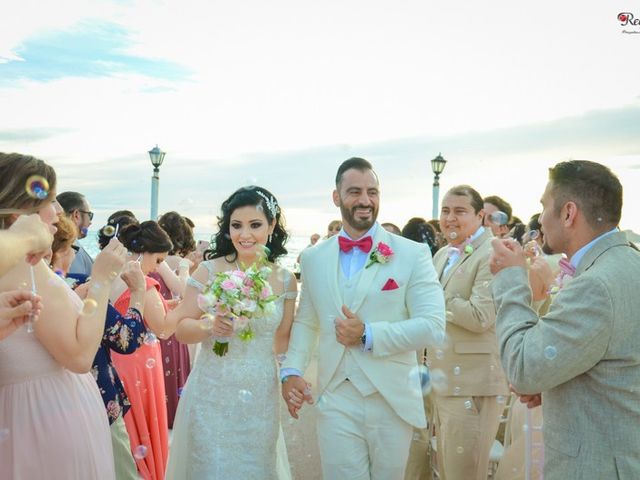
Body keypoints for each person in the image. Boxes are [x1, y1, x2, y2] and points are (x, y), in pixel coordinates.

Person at [282, 157, 446, 480]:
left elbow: (433, 326)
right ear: (336, 197)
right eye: (354, 191)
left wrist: (368, 334)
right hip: (336, 397)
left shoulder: (412, 254)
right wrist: (291, 370)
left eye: (372, 191)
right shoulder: (314, 258)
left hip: (390, 397)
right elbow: (306, 321)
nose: (365, 200)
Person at [490, 160, 640, 479]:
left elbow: (524, 368)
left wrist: (510, 278)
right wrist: (554, 382)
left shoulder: (595, 285)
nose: (541, 218)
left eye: (544, 206)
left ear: (569, 213)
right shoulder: (628, 264)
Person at [0, 151, 127, 479]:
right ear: (18, 208)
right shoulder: (22, 267)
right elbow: (80, 356)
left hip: (34, 415)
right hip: (48, 419)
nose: (58, 211)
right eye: (50, 199)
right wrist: (101, 278)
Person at [166, 186, 297, 479]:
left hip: (260, 398)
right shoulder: (208, 271)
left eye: (255, 225)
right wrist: (209, 325)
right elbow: (182, 329)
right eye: (236, 225)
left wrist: (291, 377)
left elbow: (284, 340)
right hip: (213, 393)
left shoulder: (286, 280)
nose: (244, 234)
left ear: (272, 226)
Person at [428, 185, 508, 480]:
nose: (450, 218)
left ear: (480, 216)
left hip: (474, 383)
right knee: (448, 470)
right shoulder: (440, 255)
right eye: (445, 211)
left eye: (460, 211)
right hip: (444, 379)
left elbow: (479, 316)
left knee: (465, 473)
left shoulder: (494, 253)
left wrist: (433, 294)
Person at [109, 221, 175, 480]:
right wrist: (191, 306)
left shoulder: (115, 275)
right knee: (142, 424)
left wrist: (168, 303)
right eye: (158, 260)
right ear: (144, 252)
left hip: (120, 359)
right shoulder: (143, 283)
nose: (158, 267)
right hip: (138, 365)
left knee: (130, 427)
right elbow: (163, 328)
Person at [153, 211, 195, 429]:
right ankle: (173, 418)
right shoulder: (177, 261)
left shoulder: (155, 259)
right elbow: (183, 290)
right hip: (170, 323)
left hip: (158, 320)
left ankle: (160, 415)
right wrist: (186, 266)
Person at [57, 191, 94, 280]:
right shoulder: (69, 249)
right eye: (90, 215)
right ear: (76, 215)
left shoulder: (57, 245)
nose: (90, 222)